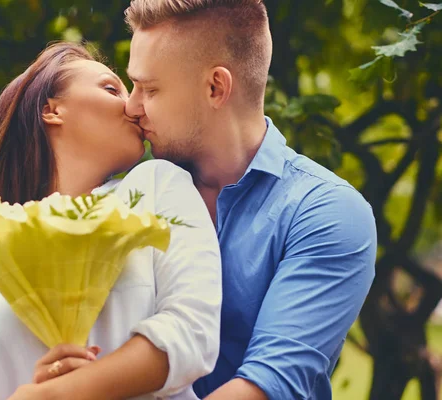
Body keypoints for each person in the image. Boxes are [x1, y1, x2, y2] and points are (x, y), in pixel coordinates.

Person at [0, 42, 222, 400]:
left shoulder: (157, 187)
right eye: (110, 88)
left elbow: (193, 333)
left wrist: (58, 393)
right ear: (52, 110)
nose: (134, 106)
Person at [122, 0, 377, 399]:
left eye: (149, 89)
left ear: (215, 87)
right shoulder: (131, 195)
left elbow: (268, 384)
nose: (131, 106)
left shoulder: (326, 213)